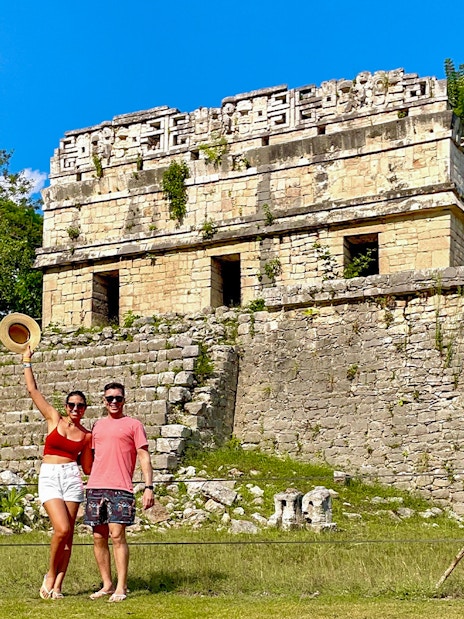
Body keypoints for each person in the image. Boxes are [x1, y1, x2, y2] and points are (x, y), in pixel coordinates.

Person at [21, 345, 93, 600]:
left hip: (72, 478)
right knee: (61, 529)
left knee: (70, 533)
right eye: (72, 404)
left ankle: (59, 585)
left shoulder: (86, 435)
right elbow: (33, 391)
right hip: (50, 474)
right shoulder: (54, 419)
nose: (76, 409)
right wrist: (27, 360)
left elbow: (86, 468)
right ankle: (50, 574)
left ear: (85, 408)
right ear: (66, 406)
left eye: (80, 405)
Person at [84, 382, 154, 602]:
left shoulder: (134, 425)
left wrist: (148, 486)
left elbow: (143, 456)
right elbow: (92, 457)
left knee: (117, 536)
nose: (114, 402)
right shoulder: (97, 426)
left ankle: (121, 586)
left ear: (124, 400)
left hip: (121, 488)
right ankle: (107, 584)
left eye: (118, 398)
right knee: (98, 537)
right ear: (104, 401)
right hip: (95, 486)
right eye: (109, 398)